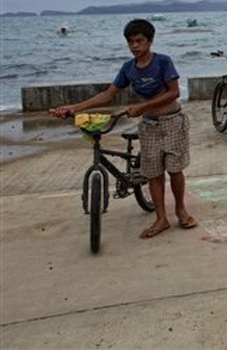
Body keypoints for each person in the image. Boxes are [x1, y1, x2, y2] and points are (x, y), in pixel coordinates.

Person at [48, 18, 198, 239]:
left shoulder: (163, 62)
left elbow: (174, 92)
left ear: (150, 41)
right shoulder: (128, 69)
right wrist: (74, 108)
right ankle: (161, 219)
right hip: (149, 125)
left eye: (139, 41)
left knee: (175, 169)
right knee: (154, 173)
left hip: (172, 121)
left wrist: (141, 106)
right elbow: (108, 94)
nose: (135, 46)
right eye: (130, 42)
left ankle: (180, 210)